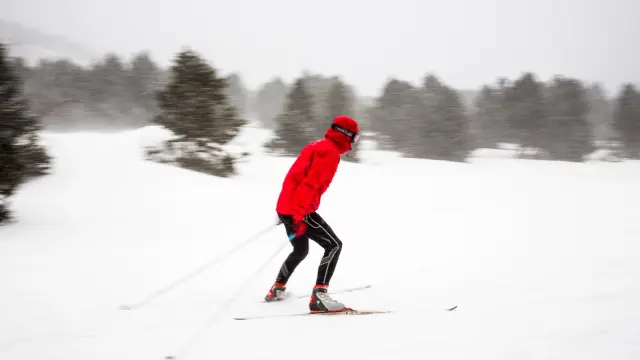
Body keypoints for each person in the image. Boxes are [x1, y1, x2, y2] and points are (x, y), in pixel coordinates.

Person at [264, 115, 360, 313]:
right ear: (346, 135)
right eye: (355, 138)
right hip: (299, 209)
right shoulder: (329, 153)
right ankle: (319, 296)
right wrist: (298, 216)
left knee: (300, 250)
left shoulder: (317, 146)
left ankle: (277, 288)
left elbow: (293, 176)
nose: (354, 143)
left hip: (288, 207)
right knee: (334, 245)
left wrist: (283, 211)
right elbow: (309, 184)